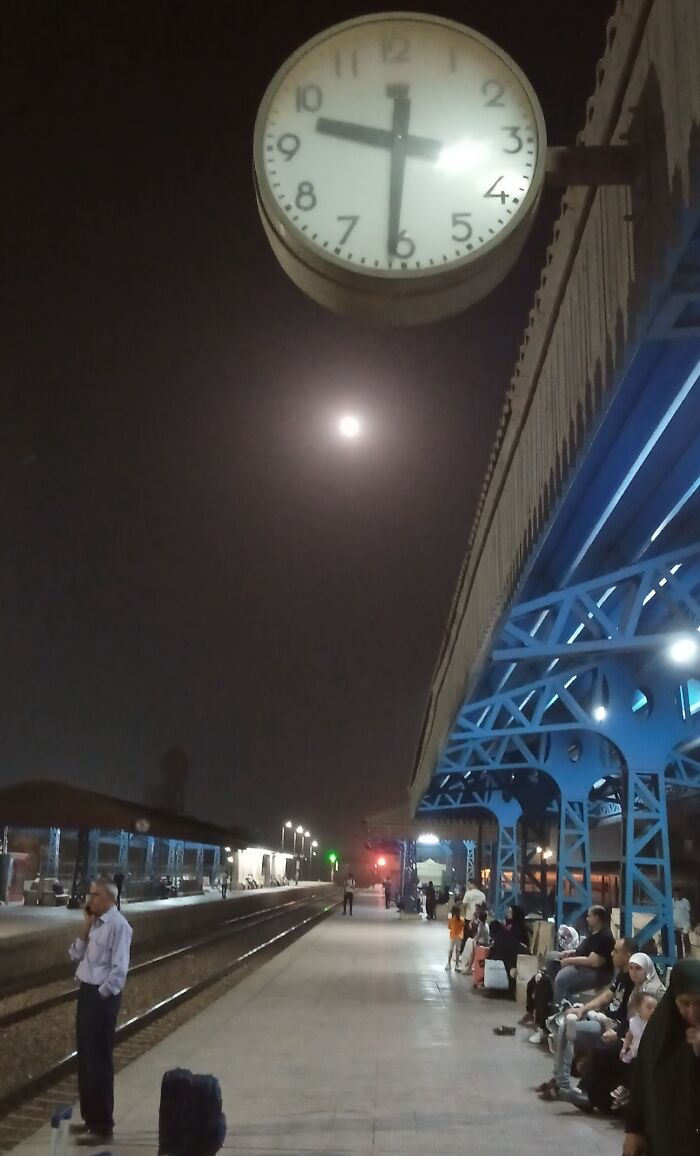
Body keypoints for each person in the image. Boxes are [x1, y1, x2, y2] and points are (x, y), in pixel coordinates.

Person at [68, 877, 133, 1142]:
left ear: (109, 898)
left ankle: (103, 1125)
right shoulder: (95, 923)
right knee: (85, 1059)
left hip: (101, 998)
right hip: (86, 991)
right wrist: (85, 924)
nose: (89, 899)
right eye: (90, 894)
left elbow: (119, 972)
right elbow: (74, 954)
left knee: (99, 1061)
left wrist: (101, 994)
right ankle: (89, 1118)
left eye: (95, 895)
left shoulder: (119, 926)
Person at [536, 937, 637, 1103]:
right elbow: (606, 996)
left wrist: (618, 1032)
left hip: (612, 1027)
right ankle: (559, 1080)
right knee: (562, 1022)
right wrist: (583, 1009)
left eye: (616, 951)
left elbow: (633, 1018)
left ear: (628, 955)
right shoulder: (622, 975)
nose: (612, 954)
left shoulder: (636, 982)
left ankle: (563, 1083)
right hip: (604, 1018)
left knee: (568, 1027)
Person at [623, 958, 700, 1156]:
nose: (692, 1012)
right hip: (661, 1138)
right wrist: (634, 1129)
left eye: (699, 1003)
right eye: (684, 1003)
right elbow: (642, 1078)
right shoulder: (659, 1030)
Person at [549, 905, 615, 1004]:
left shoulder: (605, 937)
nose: (586, 919)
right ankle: (559, 998)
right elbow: (586, 950)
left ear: (597, 918)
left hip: (598, 972)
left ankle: (558, 1009)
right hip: (584, 965)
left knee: (561, 979)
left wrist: (568, 961)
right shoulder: (594, 933)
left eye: (589, 916)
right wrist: (572, 952)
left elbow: (593, 962)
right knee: (551, 957)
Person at [610, 992, 658, 1109]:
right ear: (638, 1008)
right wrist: (624, 1047)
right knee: (625, 1065)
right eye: (649, 1007)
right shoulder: (634, 1022)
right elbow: (629, 1035)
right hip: (634, 1050)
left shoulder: (655, 1025)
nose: (652, 1011)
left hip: (646, 1054)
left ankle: (630, 1092)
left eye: (655, 1009)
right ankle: (623, 1088)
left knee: (636, 1068)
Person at [673, 887, 691, 959]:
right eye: (675, 894)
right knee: (678, 942)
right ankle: (680, 957)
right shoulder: (672, 902)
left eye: (678, 894)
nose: (676, 895)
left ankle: (688, 955)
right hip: (675, 925)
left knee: (685, 940)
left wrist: (690, 923)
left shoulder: (685, 902)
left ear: (680, 894)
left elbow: (689, 911)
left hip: (684, 924)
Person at [446, 904, 465, 971]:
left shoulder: (451, 920)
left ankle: (448, 963)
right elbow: (463, 926)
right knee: (458, 950)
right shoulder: (462, 920)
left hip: (453, 936)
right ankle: (457, 964)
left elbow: (449, 927)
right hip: (459, 937)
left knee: (451, 950)